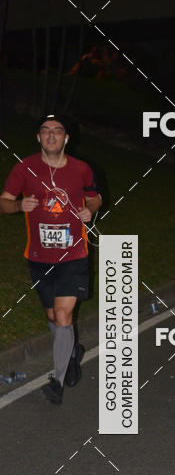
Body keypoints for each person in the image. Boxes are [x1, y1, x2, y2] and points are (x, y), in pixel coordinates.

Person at [0, 114, 101, 403]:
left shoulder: (82, 169)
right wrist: (19, 205)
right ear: (39, 138)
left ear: (66, 138)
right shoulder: (25, 168)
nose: (52, 135)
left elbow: (95, 198)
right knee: (52, 317)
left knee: (62, 315)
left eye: (57, 131)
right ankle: (71, 352)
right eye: (45, 131)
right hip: (38, 257)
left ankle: (57, 380)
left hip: (74, 254)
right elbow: (3, 201)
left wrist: (90, 210)